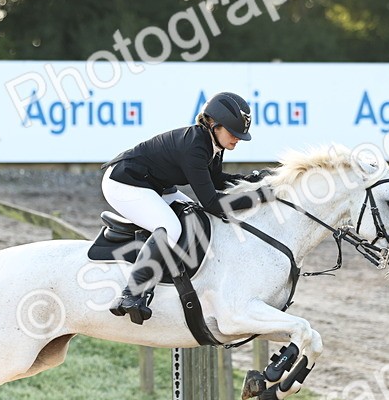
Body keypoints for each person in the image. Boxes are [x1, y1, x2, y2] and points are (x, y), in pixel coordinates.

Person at [102, 91, 271, 324]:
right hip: (124, 182)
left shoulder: (212, 144)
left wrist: (252, 180)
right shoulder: (195, 147)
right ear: (214, 125)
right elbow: (212, 203)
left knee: (193, 215)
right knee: (170, 227)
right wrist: (259, 197)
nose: (238, 139)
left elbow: (217, 179)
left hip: (154, 185)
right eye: (233, 133)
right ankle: (131, 294)